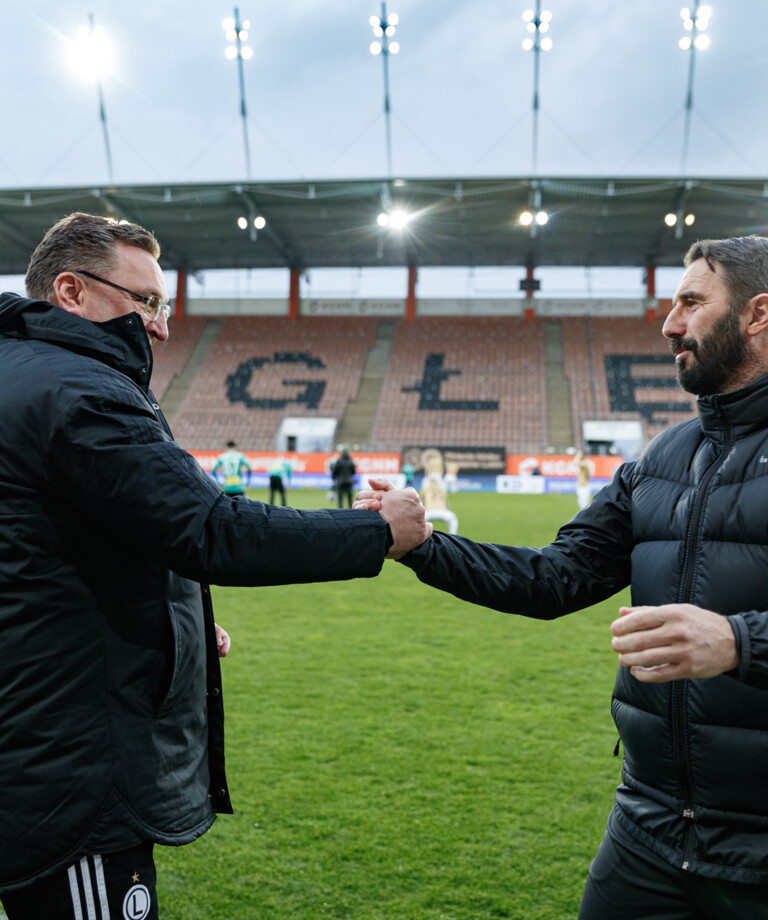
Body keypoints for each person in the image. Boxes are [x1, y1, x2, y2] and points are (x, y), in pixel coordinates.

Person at [0, 212, 431, 920]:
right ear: (71, 291)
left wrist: (175, 616)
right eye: (145, 302)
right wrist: (374, 532)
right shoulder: (77, 391)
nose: (163, 327)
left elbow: (48, 552)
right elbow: (214, 531)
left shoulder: (22, 373)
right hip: (69, 768)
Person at [356, 236, 768, 919]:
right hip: (651, 826)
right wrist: (424, 547)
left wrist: (741, 642)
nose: (669, 324)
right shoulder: (661, 459)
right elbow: (556, 578)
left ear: (758, 315)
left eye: (692, 303)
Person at [420, 459, 459, 536]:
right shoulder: (442, 481)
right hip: (442, 511)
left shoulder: (425, 481)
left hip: (429, 512)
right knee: (453, 519)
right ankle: (452, 538)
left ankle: (421, 538)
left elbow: (421, 499)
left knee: (418, 523)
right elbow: (449, 496)